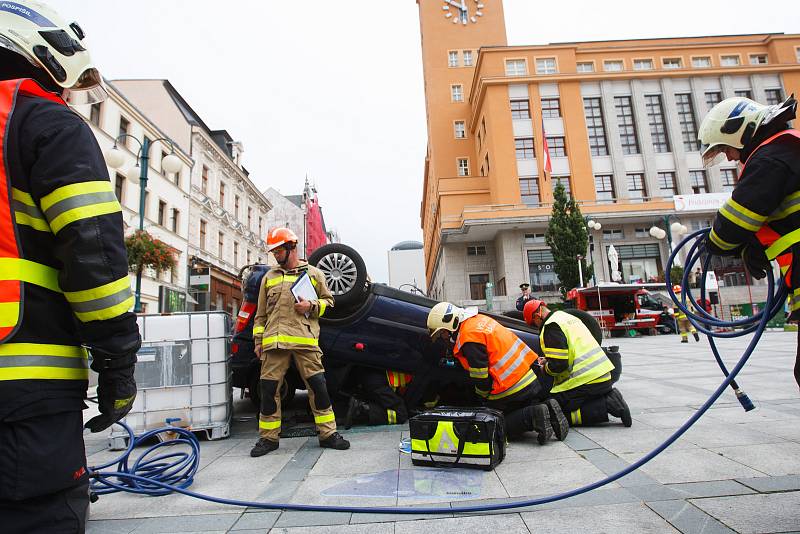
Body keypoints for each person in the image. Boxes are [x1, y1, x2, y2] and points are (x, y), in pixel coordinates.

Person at [0, 3, 142, 532]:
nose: (66, 98)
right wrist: (117, 361)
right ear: (40, 56)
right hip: (22, 394)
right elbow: (92, 252)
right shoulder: (43, 122)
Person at [698, 94, 800, 389]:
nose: (730, 157)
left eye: (727, 148)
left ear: (741, 131)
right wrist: (755, 243)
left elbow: (729, 228)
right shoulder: (788, 147)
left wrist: (722, 243)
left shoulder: (772, 156)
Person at [250, 227, 349, 456]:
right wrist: (258, 341)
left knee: (318, 387)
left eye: (278, 250)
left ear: (291, 247)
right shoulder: (269, 277)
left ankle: (328, 434)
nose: (275, 255)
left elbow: (329, 303)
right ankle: (268, 439)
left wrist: (310, 306)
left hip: (305, 341)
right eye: (273, 251)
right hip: (274, 344)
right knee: (268, 390)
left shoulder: (314, 274)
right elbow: (260, 315)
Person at [426, 302, 569, 445]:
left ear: (451, 324)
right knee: (517, 410)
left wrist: (483, 398)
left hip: (511, 387)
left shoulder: (469, 337)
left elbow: (481, 378)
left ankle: (534, 415)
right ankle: (548, 407)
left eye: (442, 332)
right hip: (528, 378)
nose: (443, 337)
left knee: (495, 426)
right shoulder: (478, 320)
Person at [523, 300, 632, 427]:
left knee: (554, 409)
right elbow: (572, 351)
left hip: (587, 380)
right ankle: (609, 396)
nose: (535, 327)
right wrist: (549, 360)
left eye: (533, 324)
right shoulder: (565, 317)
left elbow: (560, 365)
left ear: (537, 316)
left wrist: (544, 368)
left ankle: (607, 405)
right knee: (558, 405)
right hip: (602, 375)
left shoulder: (551, 326)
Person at [344, 368, 438, 428]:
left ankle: (363, 407)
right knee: (401, 415)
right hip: (379, 382)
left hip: (372, 376)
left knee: (393, 405)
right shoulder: (420, 376)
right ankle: (362, 409)